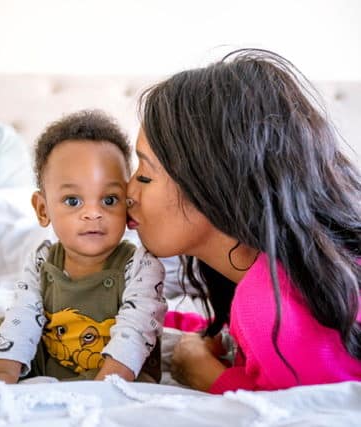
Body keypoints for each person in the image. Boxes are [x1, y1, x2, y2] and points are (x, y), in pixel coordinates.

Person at [126, 48, 361, 393]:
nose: (127, 192)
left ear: (212, 182)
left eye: (145, 176)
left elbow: (303, 408)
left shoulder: (274, 309)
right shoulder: (297, 275)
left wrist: (208, 376)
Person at [0, 110, 167, 384]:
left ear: (129, 202)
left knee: (135, 361)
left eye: (109, 200)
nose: (93, 213)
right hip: (53, 353)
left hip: (115, 364)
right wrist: (3, 375)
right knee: (4, 328)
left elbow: (136, 329)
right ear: (42, 209)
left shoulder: (141, 265)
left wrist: (108, 382)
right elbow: (24, 314)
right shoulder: (42, 260)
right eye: (73, 201)